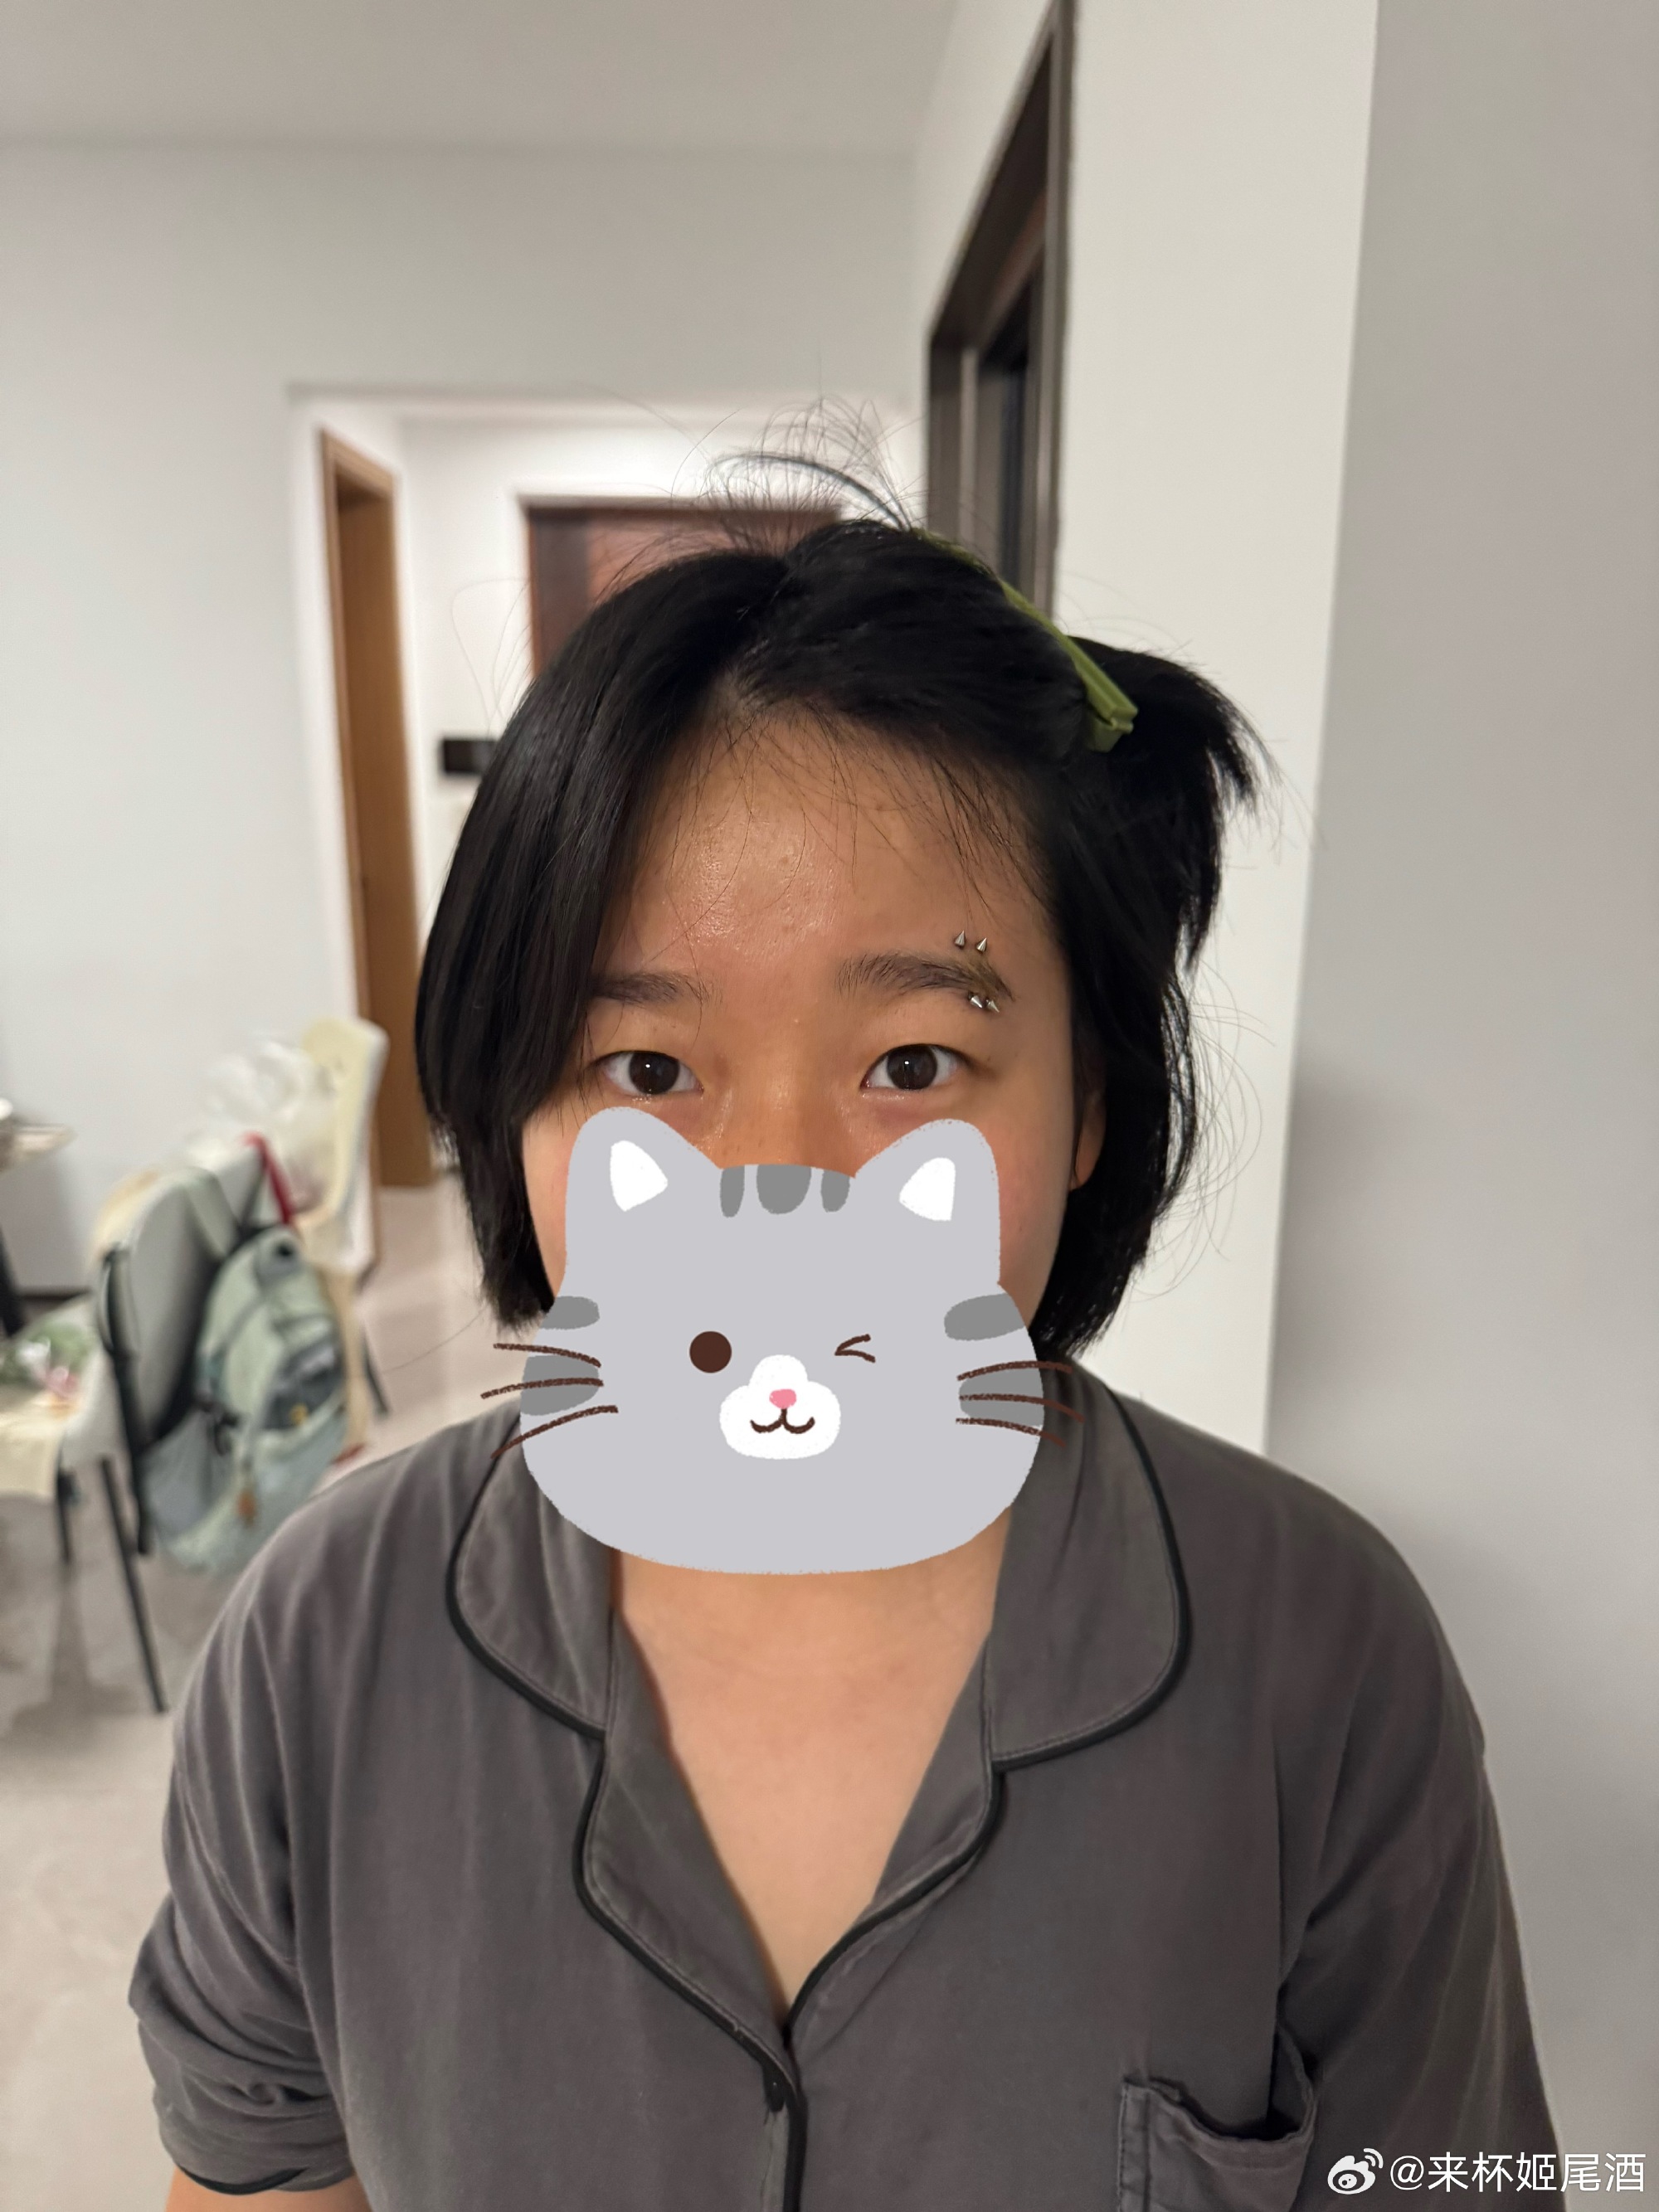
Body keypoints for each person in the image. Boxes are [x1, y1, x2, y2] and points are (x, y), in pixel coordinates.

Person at [134, 516, 1561, 2210]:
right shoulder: (321, 1644)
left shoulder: (1321, 1649)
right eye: (647, 1067)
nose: (778, 1195)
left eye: (911, 1062)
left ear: (1088, 1104)